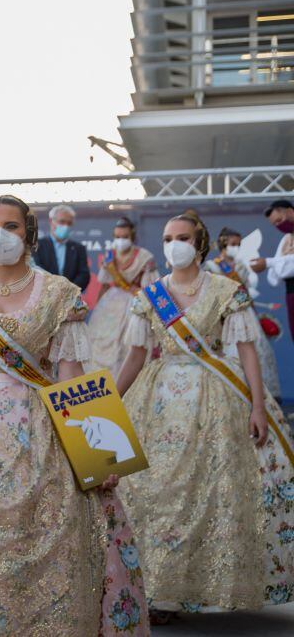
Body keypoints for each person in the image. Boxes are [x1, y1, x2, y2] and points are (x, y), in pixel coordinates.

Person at [0, 194, 147, 636]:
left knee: (44, 537)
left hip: (39, 428)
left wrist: (98, 456)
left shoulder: (60, 294)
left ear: (29, 233)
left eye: (11, 227)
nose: (1, 236)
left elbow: (72, 375)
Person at [117, 211, 294, 621]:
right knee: (155, 492)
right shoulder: (150, 297)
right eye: (167, 237)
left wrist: (256, 406)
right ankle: (159, 593)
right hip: (158, 402)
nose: (173, 244)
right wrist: (107, 401)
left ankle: (206, 587)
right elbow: (135, 358)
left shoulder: (225, 290)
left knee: (213, 490)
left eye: (182, 237)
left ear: (199, 245)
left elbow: (247, 350)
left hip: (217, 398)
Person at [205, 227, 281, 398]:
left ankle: (262, 395)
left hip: (245, 313)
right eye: (233, 244)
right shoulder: (212, 266)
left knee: (257, 350)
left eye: (239, 244)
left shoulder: (241, 266)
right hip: (223, 315)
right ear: (223, 243)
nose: (236, 247)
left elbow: (245, 291)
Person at [85, 218, 158, 376]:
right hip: (111, 303)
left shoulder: (145, 257)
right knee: (102, 341)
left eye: (124, 237)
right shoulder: (110, 255)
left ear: (132, 236)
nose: (120, 241)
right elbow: (104, 284)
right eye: (117, 237)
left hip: (136, 302)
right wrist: (98, 307)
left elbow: (150, 289)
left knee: (129, 343)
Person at [250, 199, 294, 345]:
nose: (278, 225)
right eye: (275, 224)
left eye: (279, 220)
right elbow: (274, 277)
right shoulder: (286, 239)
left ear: (290, 211)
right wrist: (273, 264)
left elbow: (280, 265)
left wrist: (268, 263)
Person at [34, 204, 91, 290]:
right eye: (62, 222)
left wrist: (68, 291)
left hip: (70, 298)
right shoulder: (37, 246)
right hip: (43, 296)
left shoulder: (79, 248)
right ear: (51, 221)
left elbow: (84, 274)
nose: (66, 226)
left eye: (69, 223)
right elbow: (37, 270)